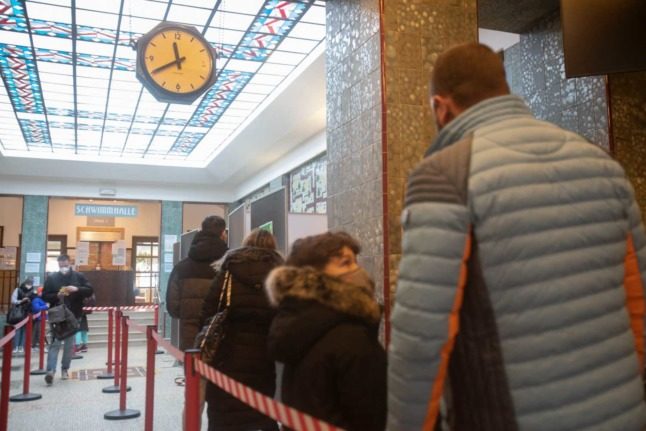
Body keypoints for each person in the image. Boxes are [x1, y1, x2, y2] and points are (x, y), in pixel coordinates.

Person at [388, 42, 646, 431]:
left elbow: (423, 338)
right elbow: (639, 296)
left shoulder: (444, 176)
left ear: (440, 107)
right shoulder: (600, 162)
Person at [266, 231, 387, 431]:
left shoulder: (298, 324)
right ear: (314, 275)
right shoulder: (350, 336)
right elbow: (371, 414)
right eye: (345, 263)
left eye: (356, 262)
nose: (357, 270)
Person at [201, 228, 284, 431]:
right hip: (263, 358)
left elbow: (208, 312)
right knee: (259, 408)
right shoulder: (281, 277)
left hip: (225, 354)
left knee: (225, 410)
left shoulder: (228, 272)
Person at [167, 215, 228, 351]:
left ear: (201, 231)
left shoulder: (181, 268)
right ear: (223, 234)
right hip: (220, 334)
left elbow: (172, 306)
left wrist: (188, 315)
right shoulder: (229, 265)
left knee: (192, 370)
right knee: (215, 372)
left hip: (189, 335)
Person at [42, 254, 93, 385]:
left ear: (69, 262)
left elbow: (90, 290)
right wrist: (57, 295)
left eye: (65, 264)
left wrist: (77, 289)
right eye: (61, 264)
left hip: (74, 314)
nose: (63, 267)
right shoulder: (52, 278)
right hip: (57, 315)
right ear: (58, 264)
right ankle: (50, 371)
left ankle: (65, 369)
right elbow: (45, 296)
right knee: (55, 343)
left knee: (69, 344)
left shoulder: (78, 276)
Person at [10, 277, 36, 354]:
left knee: (25, 330)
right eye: (28, 283)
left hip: (28, 312)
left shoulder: (33, 291)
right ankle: (15, 346)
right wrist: (21, 301)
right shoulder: (18, 290)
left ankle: (21, 346)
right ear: (25, 283)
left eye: (31, 284)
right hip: (19, 312)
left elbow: (35, 301)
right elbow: (13, 300)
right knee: (18, 329)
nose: (29, 285)